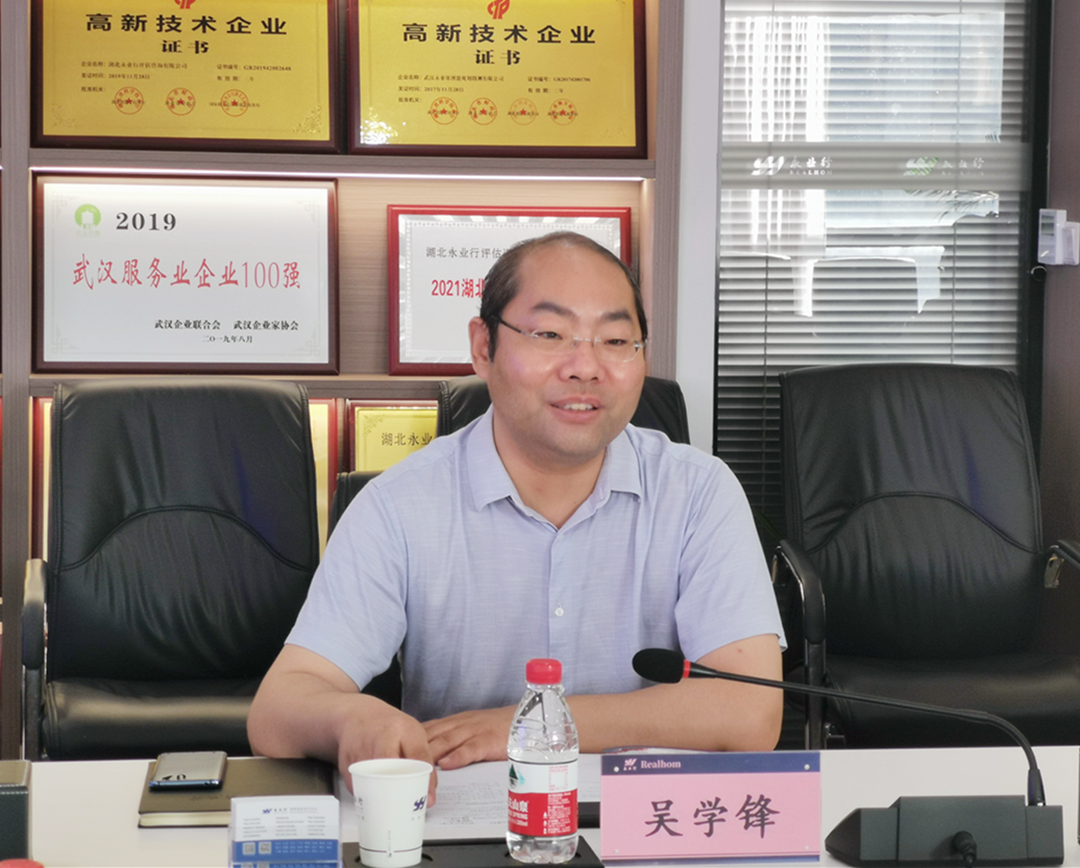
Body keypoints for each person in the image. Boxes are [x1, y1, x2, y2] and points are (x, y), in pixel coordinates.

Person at [248, 232, 786, 792]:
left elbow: (750, 710)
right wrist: (351, 718)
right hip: (464, 818)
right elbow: (279, 708)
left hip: (648, 817)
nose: (586, 367)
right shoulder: (399, 506)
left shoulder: (699, 493)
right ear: (483, 347)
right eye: (550, 334)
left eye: (615, 339)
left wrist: (525, 726)